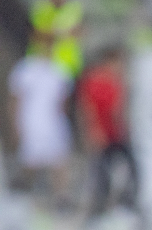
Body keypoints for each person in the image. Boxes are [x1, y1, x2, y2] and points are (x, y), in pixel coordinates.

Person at [7, 34, 73, 205]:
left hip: (53, 122)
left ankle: (61, 197)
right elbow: (16, 100)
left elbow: (63, 101)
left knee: (59, 161)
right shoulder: (25, 69)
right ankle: (25, 197)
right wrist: (15, 125)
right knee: (30, 161)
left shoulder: (59, 69)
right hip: (31, 121)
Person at [77, 47, 138, 217]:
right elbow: (87, 108)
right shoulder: (94, 79)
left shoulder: (117, 80)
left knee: (131, 168)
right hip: (102, 133)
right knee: (101, 173)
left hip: (117, 133)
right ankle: (98, 209)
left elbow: (119, 109)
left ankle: (127, 203)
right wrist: (93, 131)